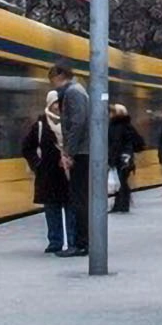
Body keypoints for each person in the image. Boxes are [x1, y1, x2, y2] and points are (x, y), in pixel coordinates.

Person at [19, 90, 71, 252]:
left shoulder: (72, 122)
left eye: (60, 103)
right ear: (49, 104)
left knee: (72, 209)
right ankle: (55, 241)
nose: (58, 107)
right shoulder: (41, 125)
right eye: (55, 103)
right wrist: (37, 165)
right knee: (52, 210)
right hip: (48, 175)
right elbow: (27, 147)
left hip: (69, 173)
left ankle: (73, 241)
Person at [53, 64, 89, 257]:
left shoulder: (73, 93)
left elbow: (77, 123)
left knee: (79, 199)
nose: (53, 84)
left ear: (60, 75)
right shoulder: (78, 90)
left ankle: (82, 244)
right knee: (80, 198)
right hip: (82, 151)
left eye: (53, 79)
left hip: (81, 153)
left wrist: (68, 153)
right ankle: (83, 242)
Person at [107, 103, 146, 214]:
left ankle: (121, 205)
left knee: (121, 182)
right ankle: (121, 205)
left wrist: (114, 157)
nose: (109, 114)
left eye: (112, 112)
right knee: (121, 182)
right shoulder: (125, 125)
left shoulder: (117, 126)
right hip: (124, 159)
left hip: (122, 159)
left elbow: (115, 144)